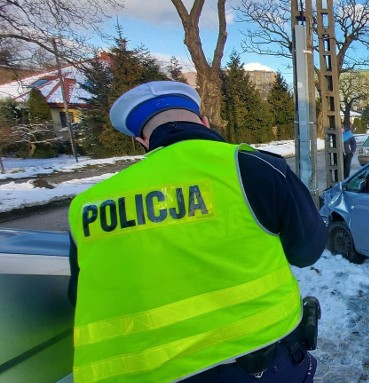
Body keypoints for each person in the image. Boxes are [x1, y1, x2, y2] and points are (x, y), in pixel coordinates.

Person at [66, 81, 327, 383]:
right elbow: (308, 250)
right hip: (253, 364)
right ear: (204, 122)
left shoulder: (87, 205)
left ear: (141, 140)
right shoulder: (254, 167)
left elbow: (79, 295)